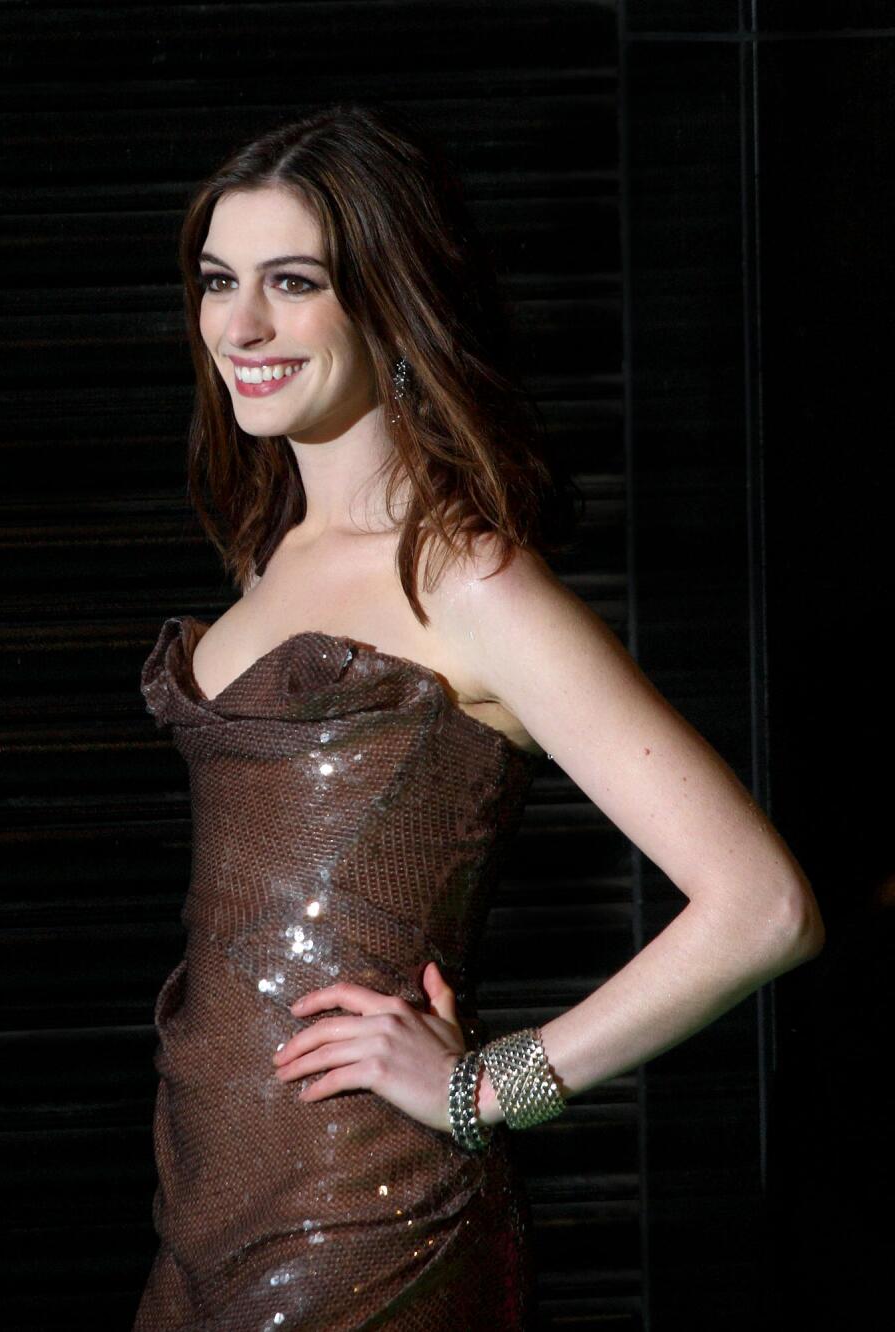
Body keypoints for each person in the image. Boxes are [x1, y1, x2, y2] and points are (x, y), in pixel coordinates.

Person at [130, 103, 823, 1330]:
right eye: (216, 282)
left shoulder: (463, 577)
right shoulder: (268, 552)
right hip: (202, 1204)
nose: (237, 326)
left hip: (361, 1222)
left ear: (387, 304)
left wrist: (485, 1091)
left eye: (290, 284)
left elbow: (760, 907)